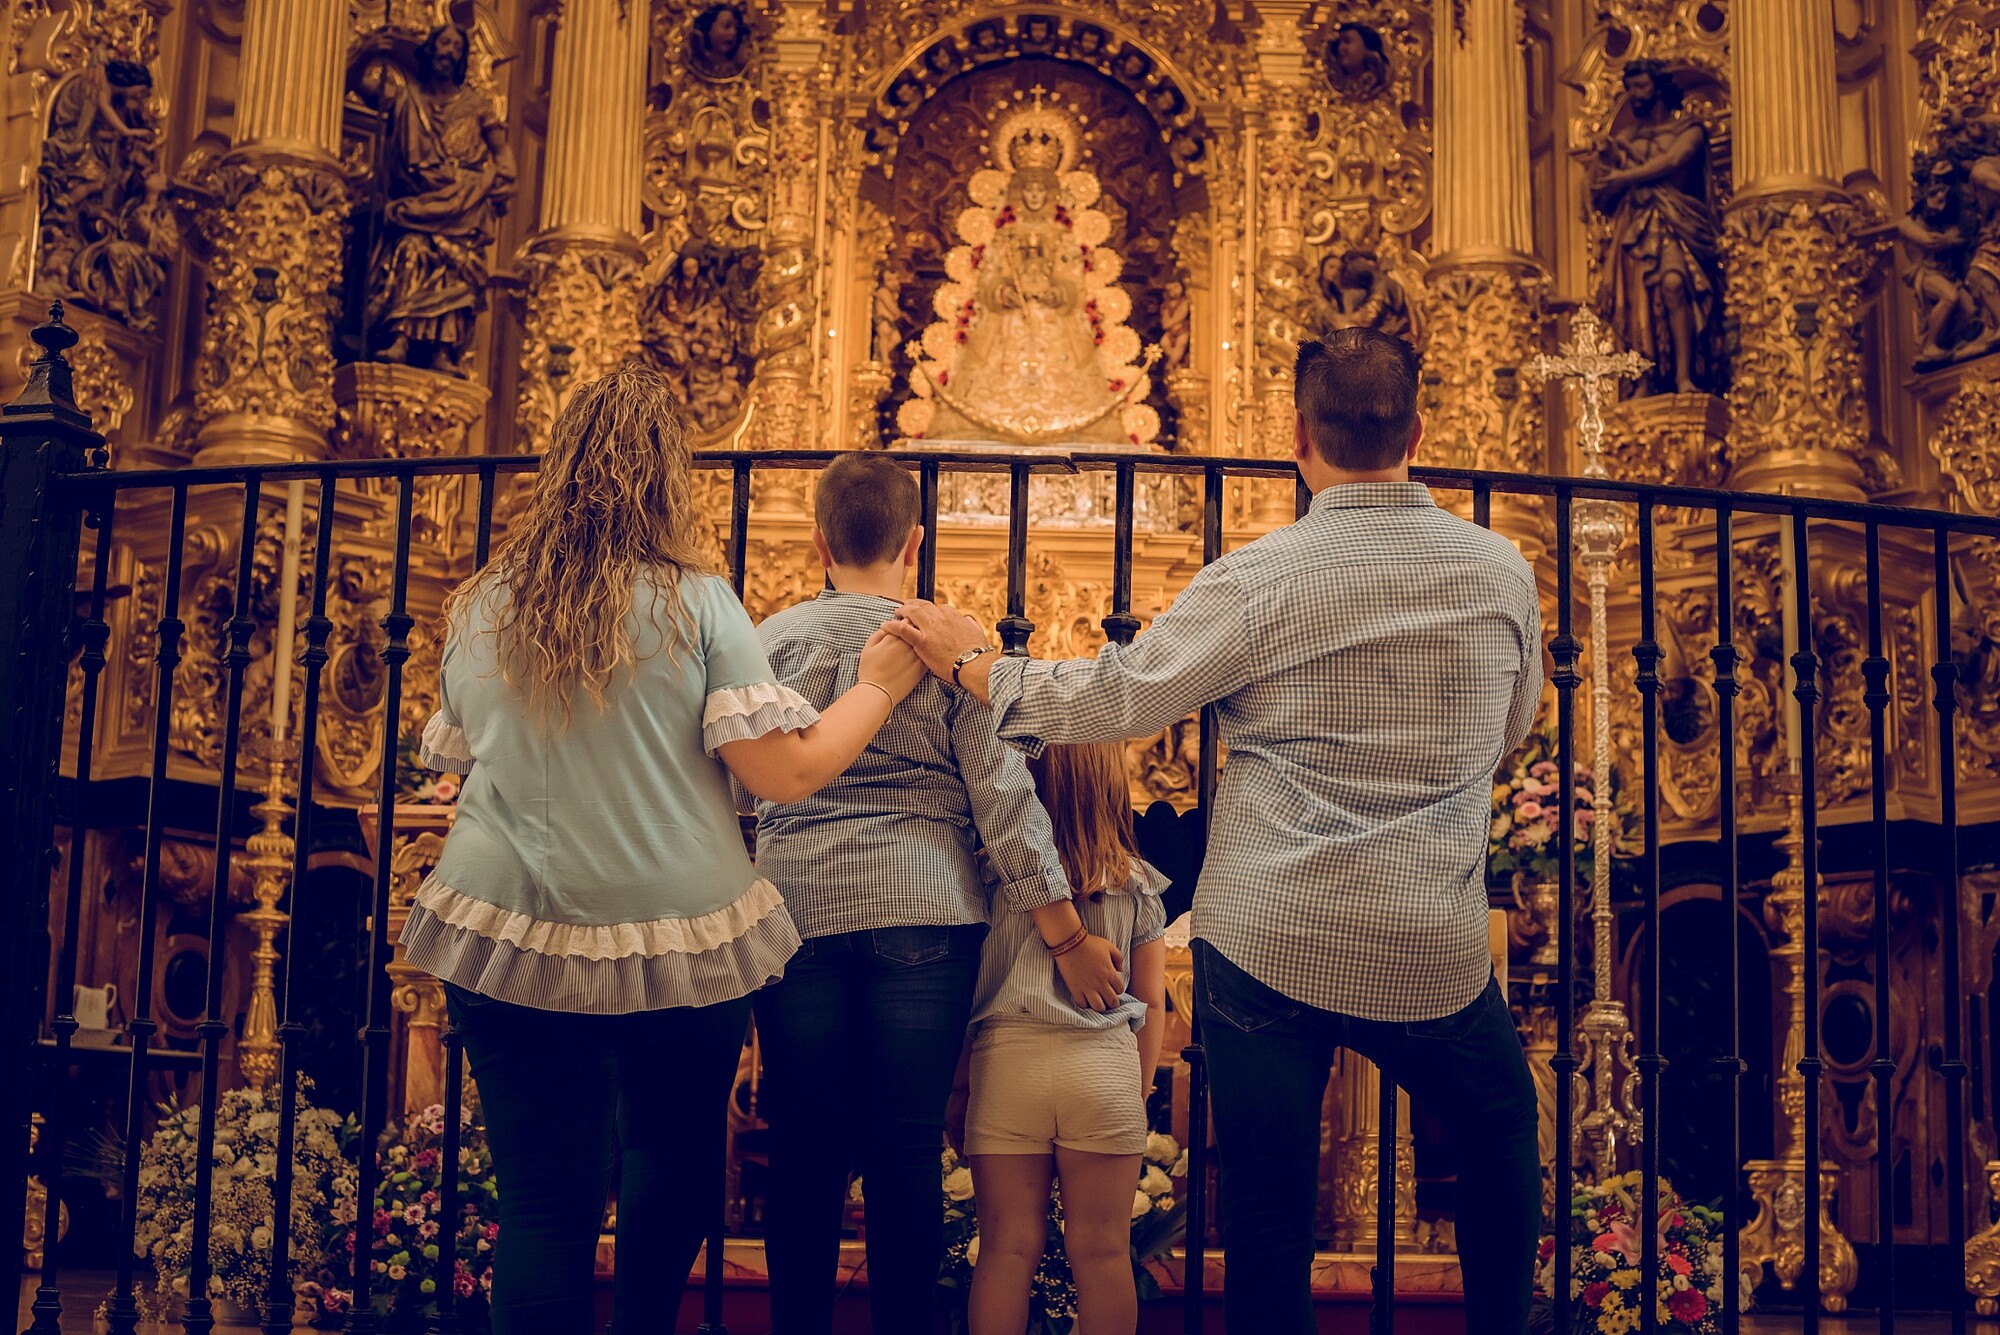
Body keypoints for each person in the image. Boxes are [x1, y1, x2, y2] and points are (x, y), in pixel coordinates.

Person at [888, 327, 1546, 1335]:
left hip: (1271, 938)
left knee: (1268, 1216)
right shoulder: (1499, 572)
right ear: (1418, 431)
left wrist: (974, 668)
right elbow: (1509, 728)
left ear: (1297, 435)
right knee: (1501, 1145)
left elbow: (1118, 701)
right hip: (1430, 937)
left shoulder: (1258, 577)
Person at [400, 362, 927, 1335]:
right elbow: (785, 774)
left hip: (503, 922)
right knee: (671, 1165)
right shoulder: (695, 603)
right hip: (676, 933)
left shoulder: (478, 604)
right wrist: (879, 685)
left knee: (542, 1209)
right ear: (667, 480)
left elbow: (463, 764)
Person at [748, 451, 1126, 1335]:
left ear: (817, 541)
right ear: (915, 541)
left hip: (794, 910)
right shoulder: (952, 646)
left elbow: (738, 791)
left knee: (802, 1152)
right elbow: (1005, 802)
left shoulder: (770, 644)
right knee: (905, 1150)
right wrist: (1067, 937)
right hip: (925, 913)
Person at [952, 742, 1169, 1335]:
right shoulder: (1137, 883)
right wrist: (1137, 1091)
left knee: (1004, 1249)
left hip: (1007, 1063)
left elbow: (965, 995)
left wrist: (958, 1086)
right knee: (1101, 1254)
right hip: (1102, 1069)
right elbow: (1152, 1003)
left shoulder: (995, 876)